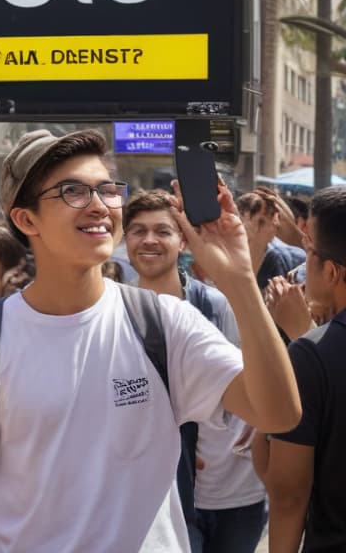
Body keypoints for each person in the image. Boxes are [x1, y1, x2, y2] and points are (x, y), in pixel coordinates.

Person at [0, 128, 300, 552]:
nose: (99, 206)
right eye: (73, 191)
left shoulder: (162, 322)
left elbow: (279, 414)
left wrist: (240, 280)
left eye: (107, 190)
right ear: (26, 219)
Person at [124, 189, 266, 553]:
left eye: (162, 231)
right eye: (138, 231)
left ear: (183, 241)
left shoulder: (216, 306)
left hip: (229, 489)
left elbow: (255, 383)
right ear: (125, 240)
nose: (149, 240)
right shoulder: (117, 313)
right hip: (162, 492)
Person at [253, 185, 346, 552]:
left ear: (333, 272)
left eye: (308, 252)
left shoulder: (312, 354)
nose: (301, 266)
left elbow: (288, 494)